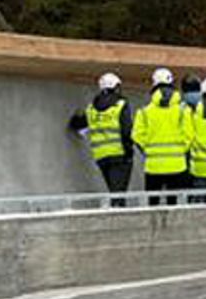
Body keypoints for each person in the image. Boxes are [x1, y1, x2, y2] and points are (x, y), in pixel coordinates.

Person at [131, 66, 191, 209]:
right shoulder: (183, 110)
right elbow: (190, 135)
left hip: (153, 166)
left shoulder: (144, 112)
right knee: (175, 207)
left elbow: (136, 135)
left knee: (153, 206)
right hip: (178, 165)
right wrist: (179, 150)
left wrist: (149, 150)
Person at [72, 70, 133, 203]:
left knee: (114, 190)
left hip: (101, 156)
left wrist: (75, 118)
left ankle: (116, 212)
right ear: (116, 87)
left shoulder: (92, 108)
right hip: (119, 155)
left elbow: (79, 123)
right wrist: (129, 151)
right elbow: (126, 130)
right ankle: (117, 217)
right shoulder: (121, 104)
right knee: (118, 194)